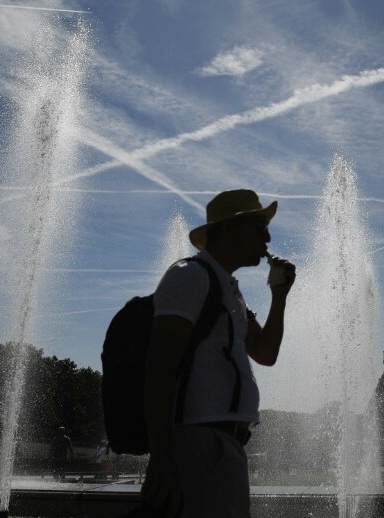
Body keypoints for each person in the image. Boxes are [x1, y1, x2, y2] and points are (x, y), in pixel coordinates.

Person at [142, 189, 295, 517]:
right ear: (229, 229)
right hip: (200, 438)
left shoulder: (229, 289)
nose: (267, 237)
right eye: (259, 226)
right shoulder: (189, 276)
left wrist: (279, 296)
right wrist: (162, 457)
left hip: (223, 440)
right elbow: (158, 367)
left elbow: (266, 354)